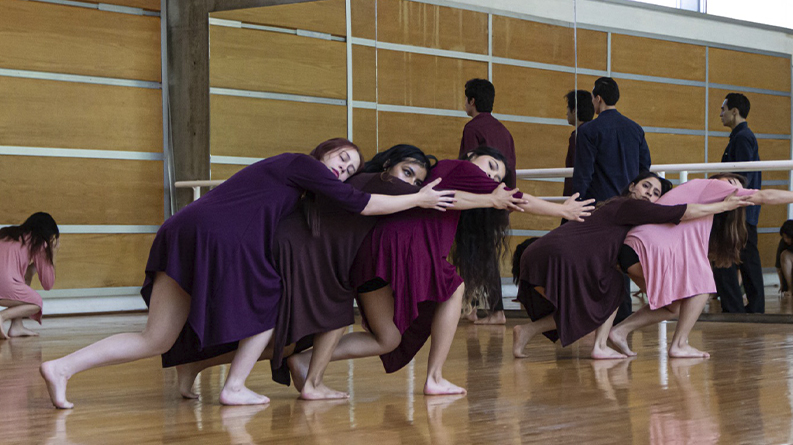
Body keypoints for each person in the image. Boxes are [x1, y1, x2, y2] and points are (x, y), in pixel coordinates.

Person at [39, 138, 456, 409]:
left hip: (182, 230)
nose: (343, 170)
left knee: (156, 337)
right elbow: (360, 204)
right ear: (322, 153)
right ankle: (233, 386)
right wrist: (419, 197)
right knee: (270, 302)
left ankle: (63, 367)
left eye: (349, 169)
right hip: (215, 236)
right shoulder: (299, 164)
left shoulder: (298, 185)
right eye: (341, 158)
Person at [287, 146, 594, 397]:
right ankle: (434, 377)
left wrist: (488, 200)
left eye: (495, 175)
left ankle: (305, 363)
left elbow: (459, 201)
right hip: (400, 245)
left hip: (372, 256)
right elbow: (516, 199)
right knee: (454, 286)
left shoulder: (459, 197)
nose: (488, 176)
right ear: (471, 157)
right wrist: (562, 210)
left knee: (388, 338)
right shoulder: (455, 168)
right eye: (489, 166)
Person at [511, 172, 751, 359]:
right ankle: (601, 345)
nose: (649, 193)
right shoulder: (629, 206)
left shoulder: (620, 210)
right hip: (561, 257)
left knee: (588, 303)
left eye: (655, 192)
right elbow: (683, 211)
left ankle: (526, 332)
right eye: (645, 186)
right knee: (609, 290)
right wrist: (723, 206)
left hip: (542, 256)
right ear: (632, 186)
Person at [604, 173, 793, 359]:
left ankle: (620, 331)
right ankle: (679, 344)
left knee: (674, 305)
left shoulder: (707, 210)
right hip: (643, 250)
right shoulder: (710, 185)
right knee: (703, 283)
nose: (734, 188)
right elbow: (763, 196)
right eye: (731, 181)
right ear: (719, 178)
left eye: (737, 185)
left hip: (634, 251)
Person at [571, 76, 652, 323]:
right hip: (629, 207)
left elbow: (583, 174)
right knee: (623, 260)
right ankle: (623, 318)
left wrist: (575, 205)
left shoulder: (587, 131)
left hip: (601, 207)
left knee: (601, 264)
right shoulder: (635, 129)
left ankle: (599, 316)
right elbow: (644, 168)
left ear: (598, 98)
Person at [459, 78, 516, 324]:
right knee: (487, 252)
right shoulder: (504, 131)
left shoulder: (472, 128)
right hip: (499, 202)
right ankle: (487, 309)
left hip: (478, 202)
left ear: (472, 101)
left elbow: (468, 169)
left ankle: (486, 310)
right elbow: (511, 170)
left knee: (469, 252)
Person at [713, 92, 764, 313]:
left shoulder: (742, 138)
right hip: (743, 211)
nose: (720, 113)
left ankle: (740, 308)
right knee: (745, 259)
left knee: (731, 258)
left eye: (723, 108)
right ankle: (749, 308)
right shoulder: (740, 137)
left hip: (739, 212)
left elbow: (742, 176)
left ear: (735, 111)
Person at [0, 212, 59, 339]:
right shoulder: (38, 242)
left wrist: (35, 266)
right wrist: (52, 254)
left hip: (5, 286)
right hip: (5, 287)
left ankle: (17, 326)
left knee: (26, 272)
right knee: (36, 303)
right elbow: (48, 284)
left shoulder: (7, 233)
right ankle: (2, 316)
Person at [562, 89, 595, 200]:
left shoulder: (579, 136)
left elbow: (581, 170)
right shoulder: (595, 134)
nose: (566, 112)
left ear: (575, 110)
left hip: (579, 198)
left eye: (568, 107)